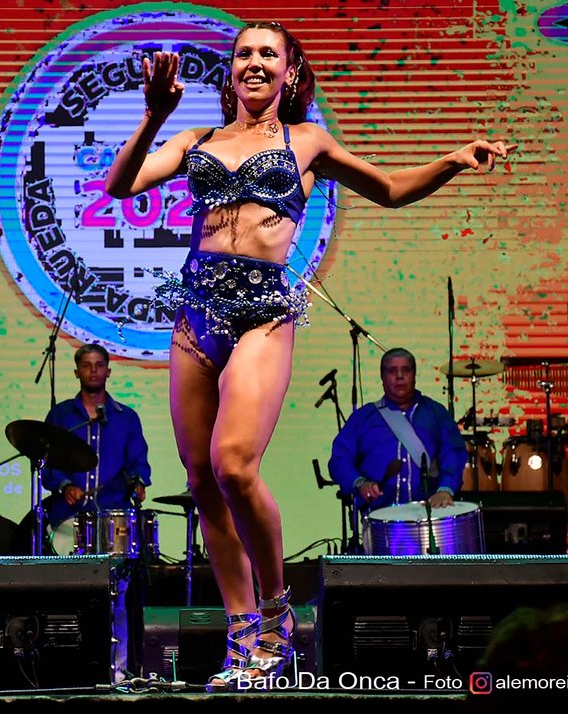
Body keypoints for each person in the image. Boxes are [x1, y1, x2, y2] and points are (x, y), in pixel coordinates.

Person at [104, 22, 514, 690]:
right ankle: (243, 636)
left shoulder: (308, 141)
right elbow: (120, 186)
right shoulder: (196, 140)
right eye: (243, 53)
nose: (254, 62)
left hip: (263, 311)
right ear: (230, 69)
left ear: (290, 71)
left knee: (233, 464)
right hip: (196, 311)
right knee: (202, 480)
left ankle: (275, 610)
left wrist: (451, 159)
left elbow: (390, 188)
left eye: (269, 53)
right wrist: (154, 115)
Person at [329, 348, 467, 514]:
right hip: (378, 518)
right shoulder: (363, 418)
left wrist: (445, 489)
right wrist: (360, 483)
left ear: (414, 375)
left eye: (406, 370)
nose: (400, 376)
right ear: (382, 377)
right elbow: (339, 460)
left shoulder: (436, 413)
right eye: (392, 371)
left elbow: (454, 453)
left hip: (430, 515)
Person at [41, 343, 152, 547]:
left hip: (115, 518)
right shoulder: (60, 416)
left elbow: (137, 461)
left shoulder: (126, 418)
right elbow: (48, 464)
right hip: (67, 518)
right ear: (77, 372)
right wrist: (66, 486)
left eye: (99, 365)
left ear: (108, 372)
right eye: (86, 365)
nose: (93, 371)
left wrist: (139, 482)